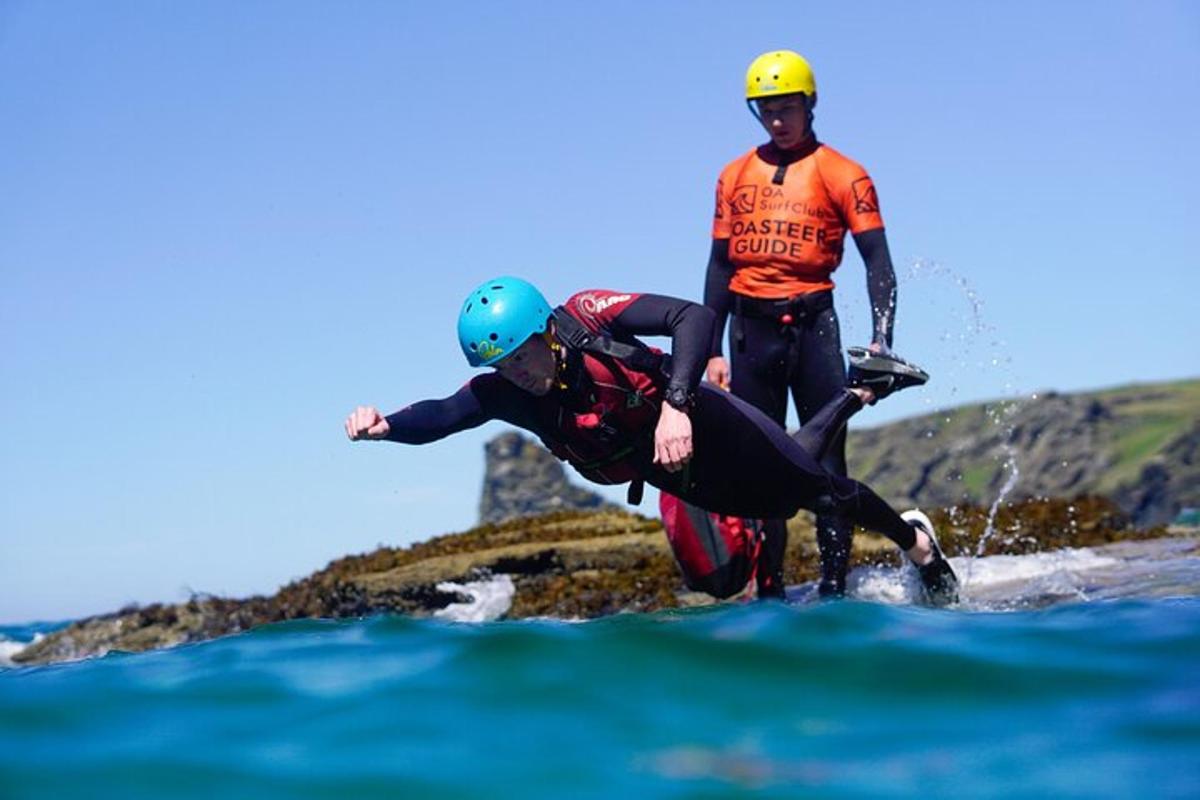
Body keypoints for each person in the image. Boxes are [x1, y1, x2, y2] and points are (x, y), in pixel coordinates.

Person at [345, 276, 958, 606]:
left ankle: (918, 545)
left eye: (523, 355)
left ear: (546, 333)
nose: (518, 373)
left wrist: (677, 405)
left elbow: (692, 317)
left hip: (699, 417)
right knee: (779, 496)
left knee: (815, 490)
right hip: (671, 468)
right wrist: (388, 426)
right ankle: (860, 392)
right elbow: (447, 413)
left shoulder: (587, 317)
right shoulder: (509, 393)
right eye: (503, 366)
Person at [703, 49, 911, 598]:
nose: (777, 119)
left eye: (787, 107)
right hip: (750, 332)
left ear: (809, 102)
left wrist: (880, 340)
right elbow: (720, 266)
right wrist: (709, 350)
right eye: (766, 109)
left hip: (815, 325)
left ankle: (833, 588)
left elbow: (878, 262)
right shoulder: (732, 175)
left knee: (827, 462)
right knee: (758, 464)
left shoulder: (845, 173)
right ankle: (769, 591)